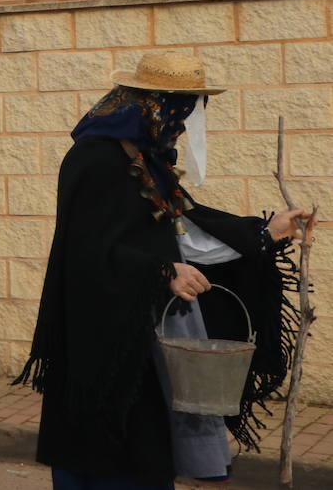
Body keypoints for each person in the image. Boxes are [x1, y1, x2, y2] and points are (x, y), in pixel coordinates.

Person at [16, 51, 317, 489]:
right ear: (153, 106)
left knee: (141, 454)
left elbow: (185, 232)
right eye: (183, 110)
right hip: (98, 344)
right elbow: (84, 253)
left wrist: (267, 233)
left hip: (141, 335)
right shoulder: (94, 161)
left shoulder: (150, 162)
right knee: (102, 456)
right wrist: (161, 272)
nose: (185, 123)